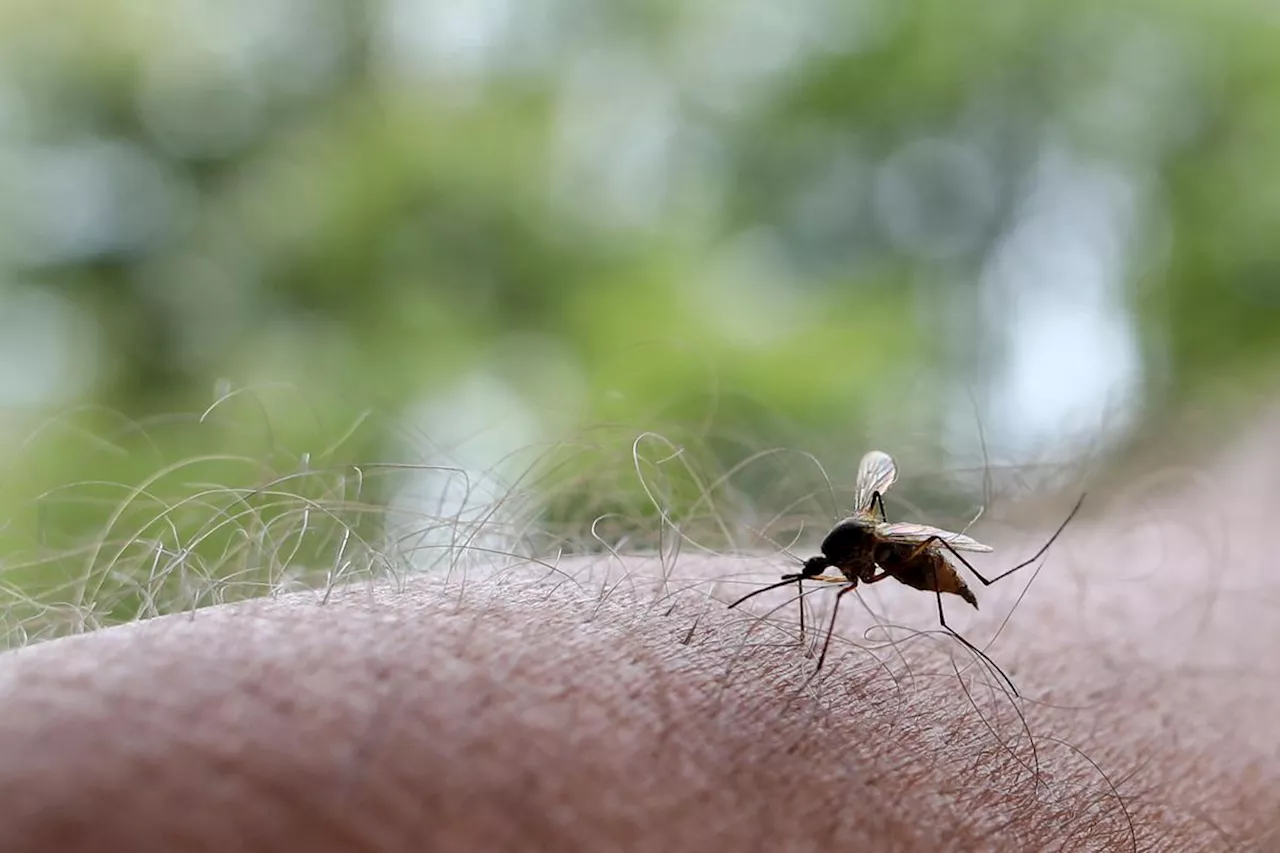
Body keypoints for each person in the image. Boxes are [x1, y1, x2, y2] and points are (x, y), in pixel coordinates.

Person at [1, 429, 1277, 852]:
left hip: (929, 557)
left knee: (937, 577)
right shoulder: (846, 552)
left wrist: (925, 564)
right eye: (842, 560)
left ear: (861, 549)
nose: (822, 575)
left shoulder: (881, 551)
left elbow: (894, 538)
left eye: (838, 562)